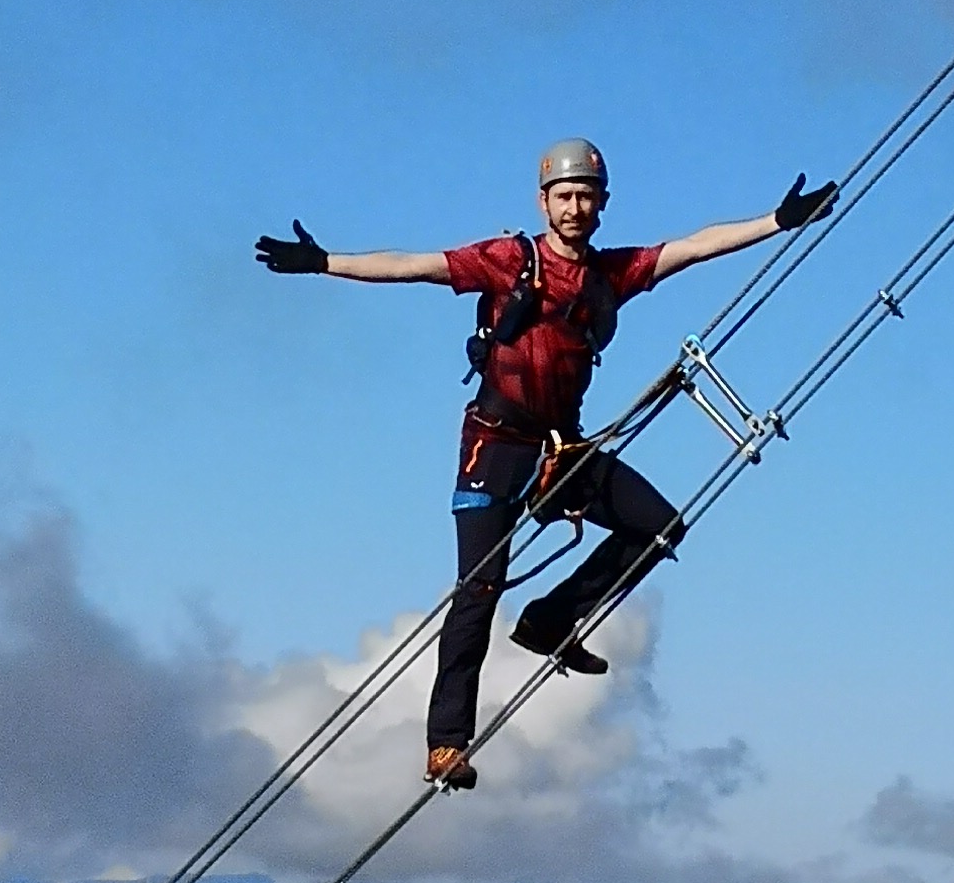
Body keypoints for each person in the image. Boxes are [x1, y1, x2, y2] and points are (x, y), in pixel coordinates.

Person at [256, 139, 836, 791]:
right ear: (543, 201)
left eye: (587, 195)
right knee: (477, 590)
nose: (576, 206)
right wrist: (324, 263)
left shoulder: (608, 276)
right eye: (564, 195)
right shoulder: (510, 260)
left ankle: (551, 619)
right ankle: (447, 743)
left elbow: (692, 248)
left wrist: (776, 223)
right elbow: (415, 267)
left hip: (562, 449)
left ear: (603, 204)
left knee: (659, 525)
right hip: (494, 447)